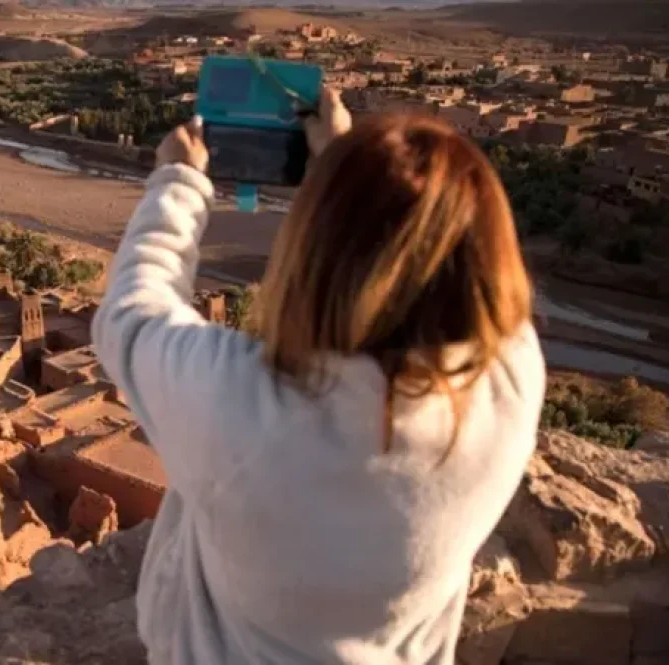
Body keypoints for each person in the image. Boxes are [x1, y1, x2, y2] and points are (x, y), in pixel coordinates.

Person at [90, 89, 544, 664]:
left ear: (310, 250)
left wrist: (178, 179)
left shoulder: (243, 406)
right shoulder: (509, 388)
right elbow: (489, 298)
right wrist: (345, 164)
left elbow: (132, 313)